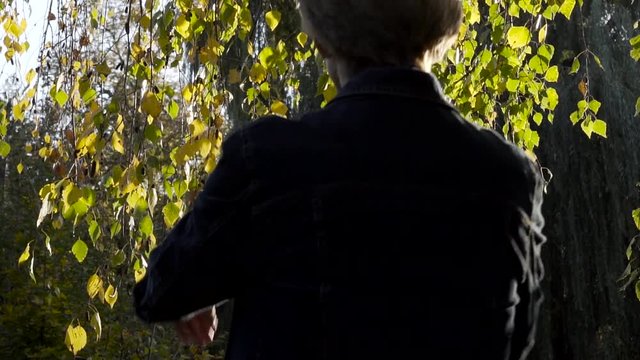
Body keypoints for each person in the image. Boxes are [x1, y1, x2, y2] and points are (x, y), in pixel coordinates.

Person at [134, 0, 546, 359]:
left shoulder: (267, 162)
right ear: (444, 26)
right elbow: (520, 339)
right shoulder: (509, 179)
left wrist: (206, 287)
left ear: (321, 38)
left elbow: (162, 291)